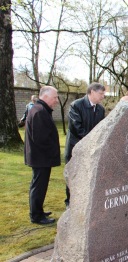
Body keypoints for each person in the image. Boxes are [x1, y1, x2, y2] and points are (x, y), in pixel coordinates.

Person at [65, 82, 106, 207]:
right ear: (92, 92)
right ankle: (70, 202)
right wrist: (91, 140)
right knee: (74, 175)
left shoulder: (100, 109)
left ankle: (86, 202)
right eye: (101, 94)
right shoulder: (76, 105)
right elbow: (76, 127)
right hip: (75, 147)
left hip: (92, 149)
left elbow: (101, 128)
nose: (103, 97)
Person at [24, 86, 60, 224]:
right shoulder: (39, 112)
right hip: (41, 158)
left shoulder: (41, 110)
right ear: (45, 96)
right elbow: (40, 138)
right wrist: (52, 152)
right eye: (55, 97)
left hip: (41, 157)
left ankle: (38, 210)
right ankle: (36, 216)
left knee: (39, 185)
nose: (56, 100)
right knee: (38, 186)